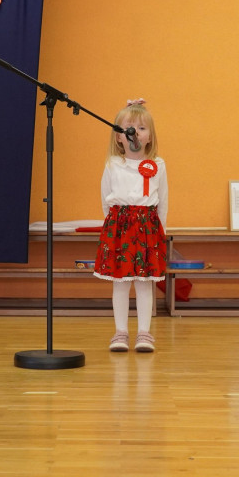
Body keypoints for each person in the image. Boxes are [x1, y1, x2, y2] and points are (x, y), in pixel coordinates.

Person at [94, 99, 168, 353]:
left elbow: (163, 202)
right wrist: (114, 227)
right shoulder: (113, 165)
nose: (136, 132)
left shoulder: (158, 166)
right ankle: (121, 332)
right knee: (121, 283)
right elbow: (106, 200)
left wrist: (161, 232)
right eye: (130, 127)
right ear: (119, 137)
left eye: (142, 128)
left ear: (150, 136)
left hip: (148, 228)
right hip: (120, 227)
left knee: (145, 282)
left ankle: (145, 334)